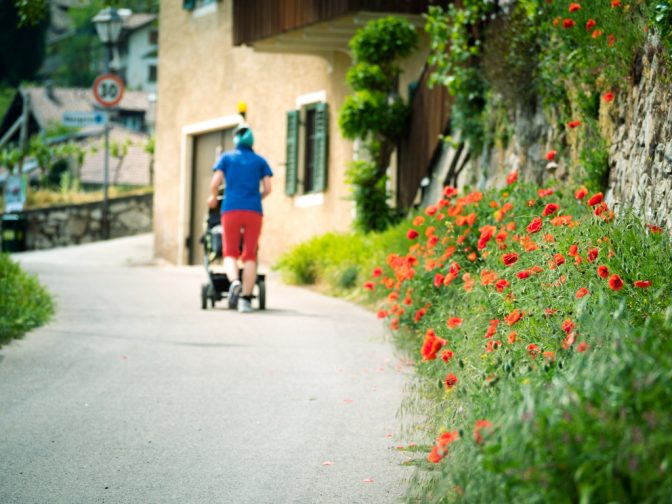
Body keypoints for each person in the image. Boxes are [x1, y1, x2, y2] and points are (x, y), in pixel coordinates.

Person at [207, 124, 272, 313]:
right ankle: (245, 299)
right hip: (253, 211)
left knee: (230, 253)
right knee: (250, 254)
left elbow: (215, 183)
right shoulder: (260, 161)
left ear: (236, 141)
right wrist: (255, 199)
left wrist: (212, 197)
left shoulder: (226, 158)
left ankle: (234, 281)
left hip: (231, 209)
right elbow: (268, 188)